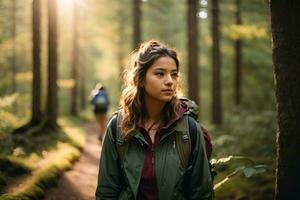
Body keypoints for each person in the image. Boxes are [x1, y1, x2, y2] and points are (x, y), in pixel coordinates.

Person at [95, 40, 213, 199]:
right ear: (140, 80)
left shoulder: (189, 128)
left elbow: (202, 193)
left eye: (174, 74)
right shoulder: (118, 127)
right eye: (160, 73)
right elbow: (106, 192)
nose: (170, 81)